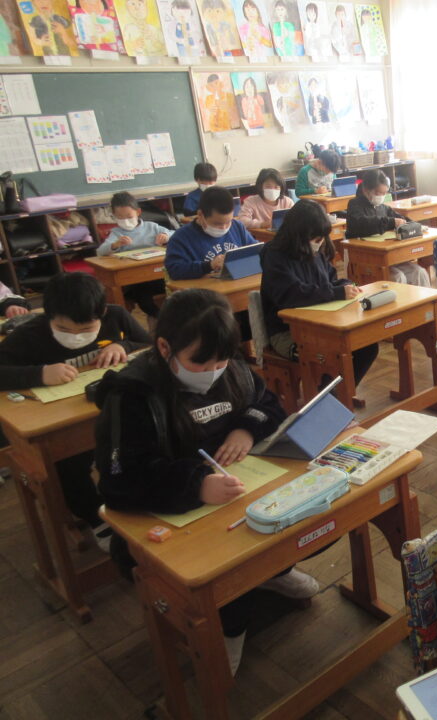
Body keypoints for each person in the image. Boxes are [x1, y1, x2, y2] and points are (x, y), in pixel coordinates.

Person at [94, 288, 318, 675]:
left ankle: (274, 572)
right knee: (224, 567)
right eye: (200, 363)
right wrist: (196, 484)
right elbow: (120, 481)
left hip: (238, 490)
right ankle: (229, 627)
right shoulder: (132, 395)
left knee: (303, 517)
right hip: (173, 512)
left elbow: (268, 405)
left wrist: (246, 429)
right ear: (164, 348)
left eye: (222, 360)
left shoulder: (231, 369)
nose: (213, 371)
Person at [0, 272, 150, 552]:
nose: (76, 337)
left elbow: (150, 346)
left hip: (113, 410)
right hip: (59, 421)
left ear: (101, 313)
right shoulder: (29, 335)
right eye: (64, 329)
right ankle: (94, 516)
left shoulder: (116, 317)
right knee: (67, 463)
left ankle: (134, 497)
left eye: (86, 329)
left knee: (138, 442)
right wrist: (39, 373)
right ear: (48, 316)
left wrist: (123, 345)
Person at [261, 200, 378, 378]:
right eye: (316, 239)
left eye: (322, 238)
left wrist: (347, 285)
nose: (320, 242)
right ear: (299, 234)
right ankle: (329, 392)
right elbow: (292, 295)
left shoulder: (315, 250)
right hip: (287, 331)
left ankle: (337, 392)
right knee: (330, 354)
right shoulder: (274, 255)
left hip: (321, 323)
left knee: (367, 347)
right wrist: (337, 292)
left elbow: (330, 281)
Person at [345, 169, 430, 286]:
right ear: (366, 190)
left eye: (384, 193)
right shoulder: (354, 205)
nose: (381, 197)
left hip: (388, 257)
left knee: (419, 272)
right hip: (367, 259)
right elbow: (363, 224)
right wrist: (390, 222)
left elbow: (401, 219)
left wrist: (416, 226)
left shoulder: (382, 207)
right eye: (378, 193)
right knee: (398, 277)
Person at [97, 191, 169, 317]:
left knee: (173, 290)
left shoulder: (152, 227)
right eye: (120, 217)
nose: (125, 221)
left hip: (157, 274)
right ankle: (162, 318)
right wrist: (115, 245)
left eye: (129, 216)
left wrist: (166, 236)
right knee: (144, 300)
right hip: (135, 280)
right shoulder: (116, 233)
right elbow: (100, 251)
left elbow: (176, 234)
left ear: (138, 212)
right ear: (114, 216)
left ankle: (169, 316)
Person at [165, 186, 258, 280]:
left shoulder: (237, 226)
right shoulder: (181, 238)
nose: (224, 227)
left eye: (228, 222)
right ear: (200, 215)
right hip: (203, 288)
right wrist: (209, 265)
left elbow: (256, 251)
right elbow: (174, 271)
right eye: (217, 224)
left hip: (238, 283)